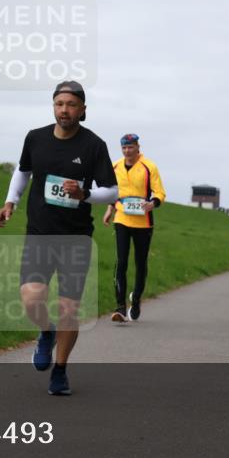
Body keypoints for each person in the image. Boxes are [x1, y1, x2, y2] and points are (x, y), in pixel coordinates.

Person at [0, 81, 117, 396]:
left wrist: (85, 193)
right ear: (54, 106)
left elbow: (112, 191)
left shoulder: (94, 146)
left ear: (83, 110)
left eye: (72, 104)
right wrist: (11, 202)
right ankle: (45, 332)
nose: (65, 109)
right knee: (32, 298)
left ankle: (60, 371)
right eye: (60, 103)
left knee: (68, 308)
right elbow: (23, 171)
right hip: (40, 233)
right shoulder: (35, 138)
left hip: (75, 237)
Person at [102, 133, 166, 322]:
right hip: (122, 218)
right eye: (124, 148)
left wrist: (152, 203)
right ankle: (120, 307)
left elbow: (160, 192)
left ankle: (136, 299)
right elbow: (114, 192)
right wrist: (109, 209)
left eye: (130, 147)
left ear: (138, 147)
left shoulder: (149, 166)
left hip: (143, 222)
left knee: (140, 263)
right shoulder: (115, 166)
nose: (127, 151)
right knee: (121, 262)